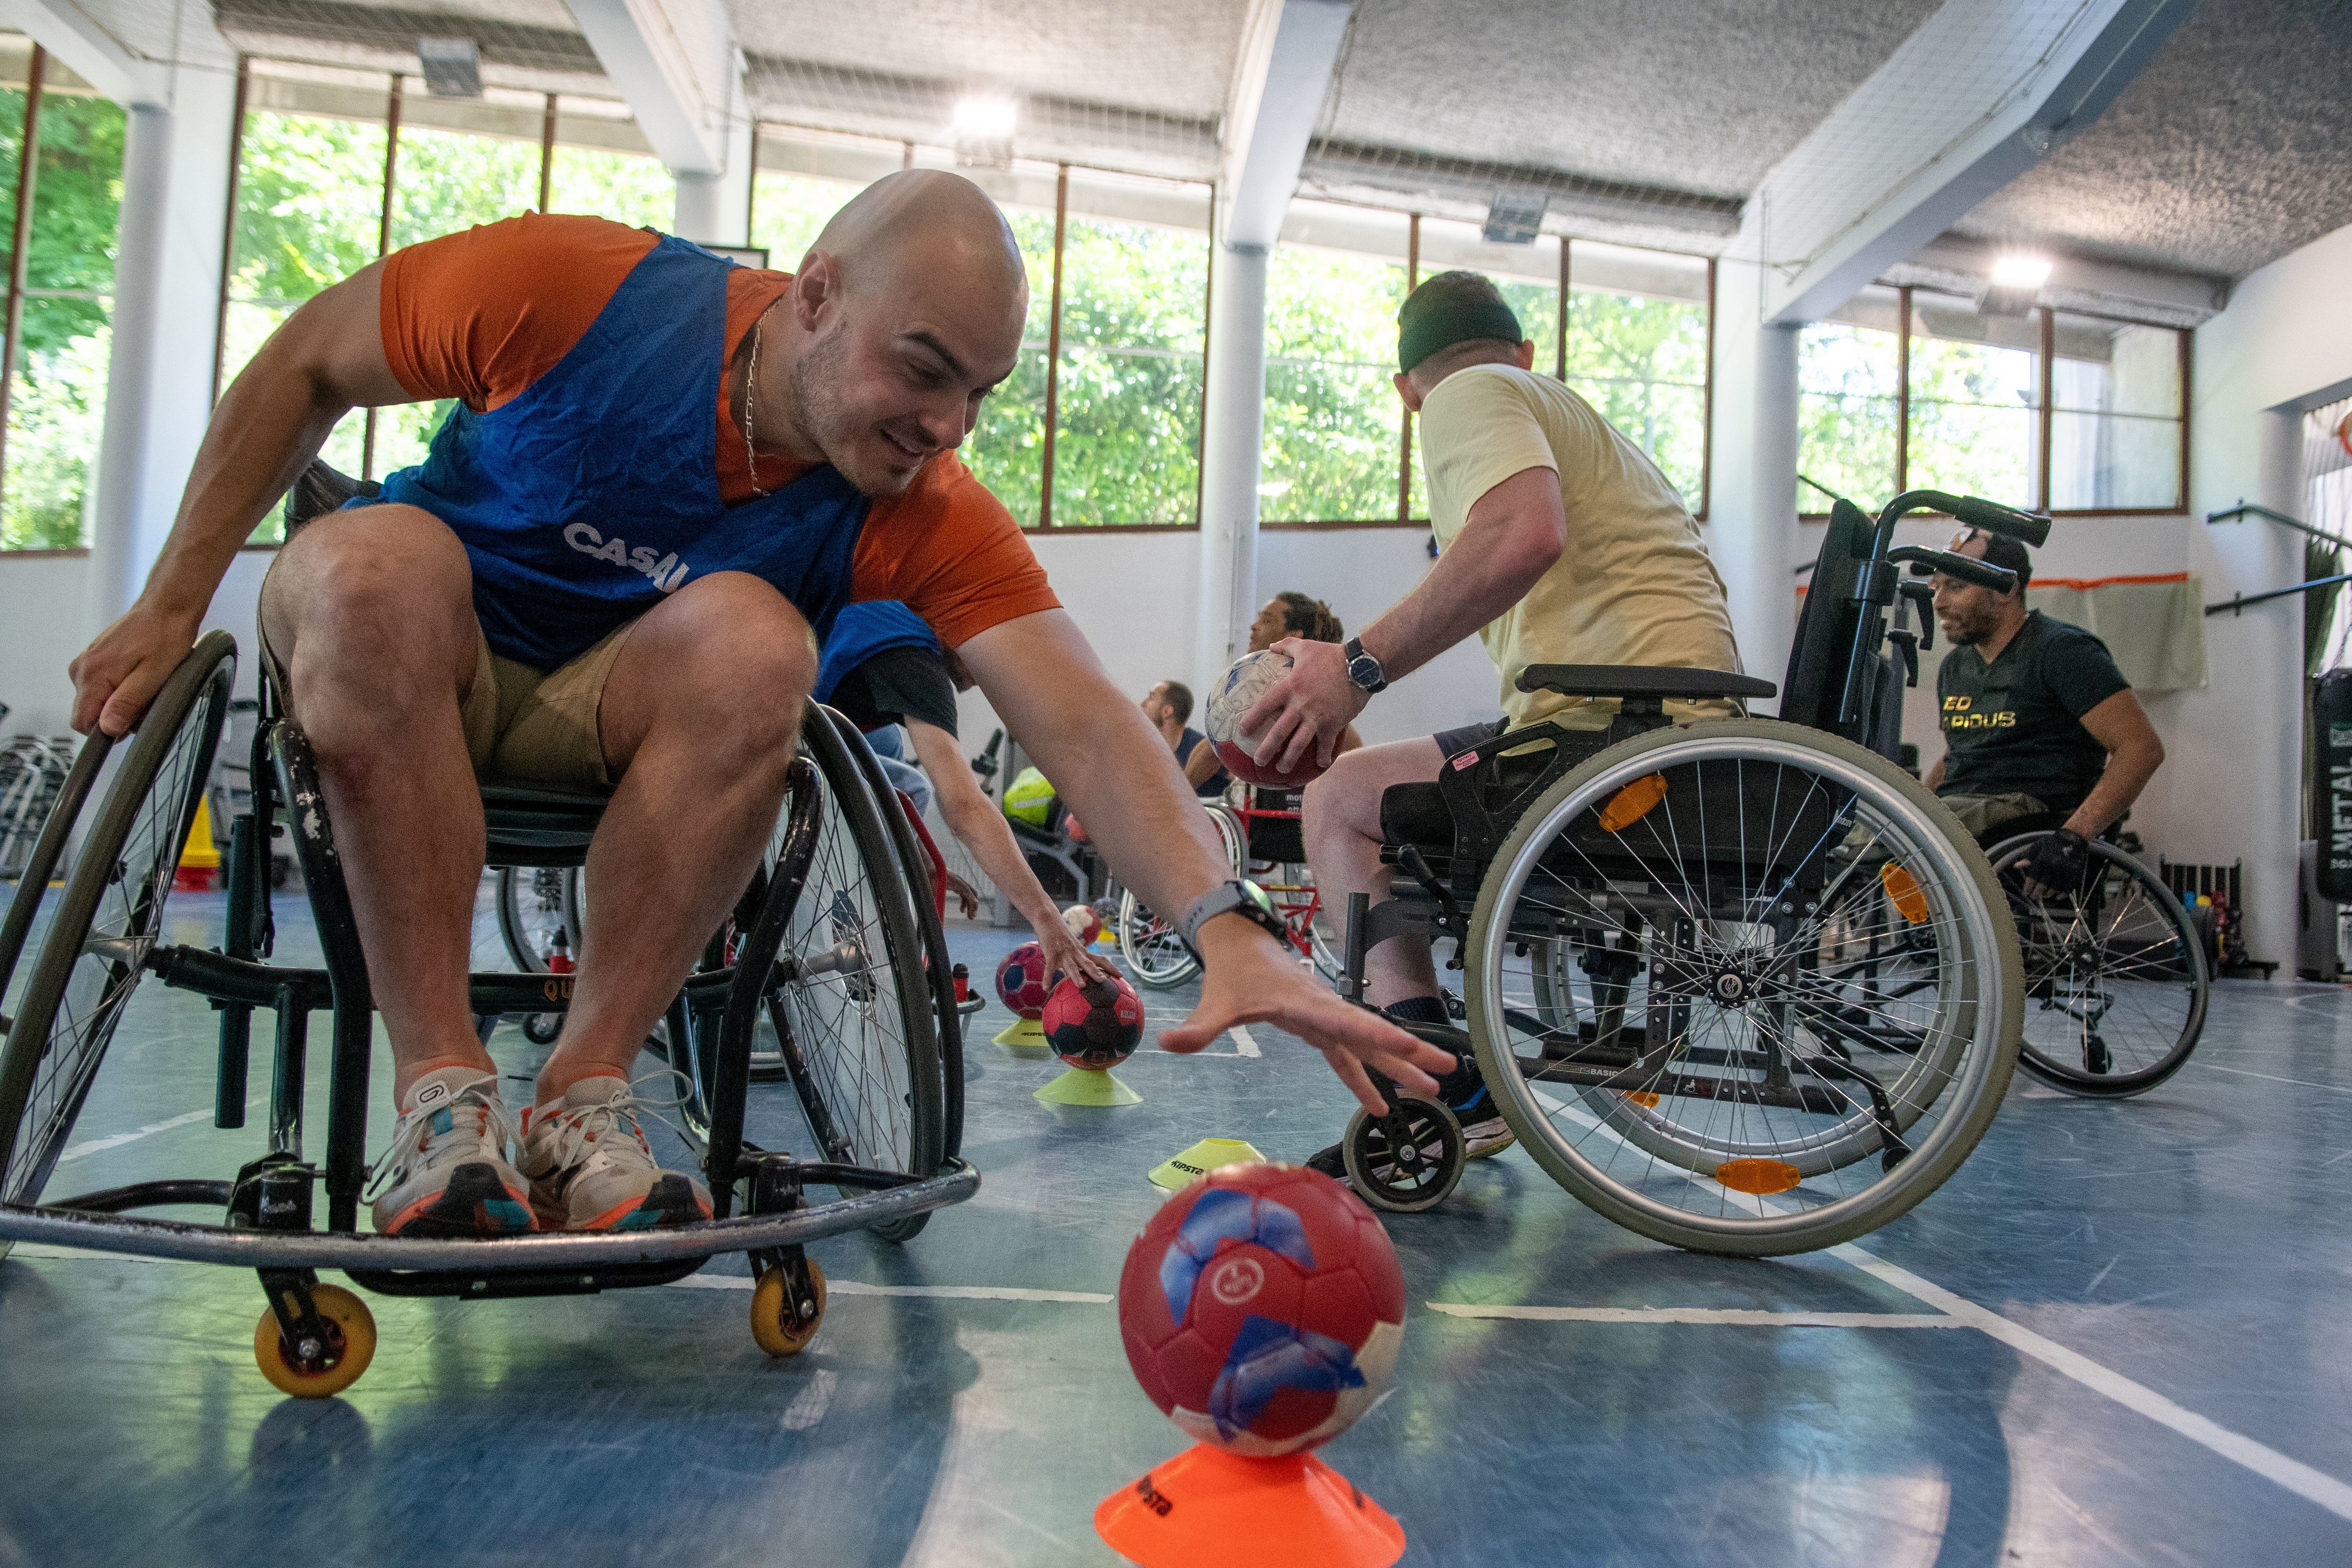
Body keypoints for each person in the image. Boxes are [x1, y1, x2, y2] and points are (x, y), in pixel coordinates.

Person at [67, 171, 1445, 1240]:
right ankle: (441, 1095)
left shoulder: (919, 503)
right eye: (922, 368)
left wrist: (1225, 925)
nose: (948, 425)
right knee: (367, 562)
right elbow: (304, 357)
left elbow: (1080, 716)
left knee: (757, 642)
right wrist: (167, 604)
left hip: (625, 730)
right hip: (422, 661)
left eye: (980, 392)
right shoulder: (571, 290)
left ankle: (584, 1094)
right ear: (814, 294)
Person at [1242, 270, 1741, 1156]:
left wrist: (1356, 667)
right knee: (1371, 786)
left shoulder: (1468, 396)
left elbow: (1523, 533)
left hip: (1623, 736)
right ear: (1525, 348)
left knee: (1338, 802)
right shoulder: (1562, 413)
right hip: (1666, 722)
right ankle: (1442, 1064)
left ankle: (1436, 1079)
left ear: (1405, 390)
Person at [817, 598, 1106, 983]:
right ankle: (844, 920)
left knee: (893, 758)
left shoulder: (896, 622)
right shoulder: (913, 658)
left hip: (791, 709)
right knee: (900, 774)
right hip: (771, 735)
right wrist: (1045, 917)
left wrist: (926, 862)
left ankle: (863, 894)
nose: (986, 686)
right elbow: (964, 808)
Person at [1926, 528, 2163, 894]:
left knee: (1931, 825)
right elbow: (1958, 752)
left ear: (2006, 590)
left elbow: (2141, 748)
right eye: (1936, 586)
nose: (1939, 602)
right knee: (1865, 829)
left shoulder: (2063, 651)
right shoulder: (1955, 667)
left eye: (1956, 586)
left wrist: (2075, 834)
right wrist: (1907, 801)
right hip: (1961, 811)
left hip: (2028, 812)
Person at [1187, 591, 1364, 791]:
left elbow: (1211, 753)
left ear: (1294, 637)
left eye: (1267, 619)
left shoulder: (1341, 733)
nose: (1254, 626)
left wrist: (1178, 802)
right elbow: (1214, 749)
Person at [1141, 680, 1229, 797]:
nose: (1142, 704)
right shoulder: (1149, 752)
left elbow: (1239, 778)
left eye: (1151, 698)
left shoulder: (1201, 748)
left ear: (1167, 711)